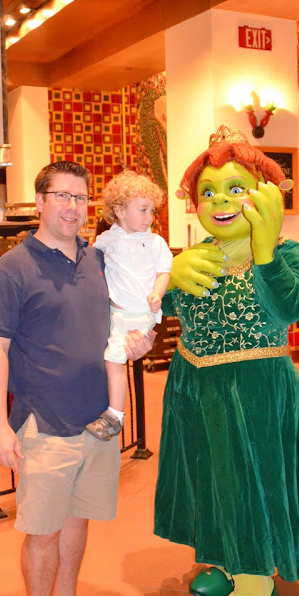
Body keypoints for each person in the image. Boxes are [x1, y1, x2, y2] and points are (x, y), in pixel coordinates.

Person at [154, 126, 299, 596]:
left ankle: (254, 582)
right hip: (194, 386)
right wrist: (163, 278)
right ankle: (227, 562)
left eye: (234, 188)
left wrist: (265, 253)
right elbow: (156, 307)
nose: (220, 200)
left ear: (263, 195)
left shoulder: (285, 252)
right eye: (208, 192)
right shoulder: (194, 254)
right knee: (210, 481)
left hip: (255, 393)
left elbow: (293, 306)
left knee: (249, 483)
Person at [0, 161, 154, 596]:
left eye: (80, 197)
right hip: (44, 422)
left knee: (78, 519)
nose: (71, 206)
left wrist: (139, 342)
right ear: (40, 201)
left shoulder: (98, 259)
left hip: (98, 421)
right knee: (43, 531)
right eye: (61, 195)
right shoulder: (12, 269)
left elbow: (120, 322)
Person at [85, 170, 173, 441]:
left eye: (152, 211)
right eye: (143, 210)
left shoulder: (155, 242)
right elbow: (91, 255)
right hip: (116, 312)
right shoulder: (108, 239)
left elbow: (163, 273)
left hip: (138, 313)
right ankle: (112, 412)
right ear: (120, 211)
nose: (149, 217)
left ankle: (115, 416)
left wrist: (157, 294)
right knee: (110, 358)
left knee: (113, 360)